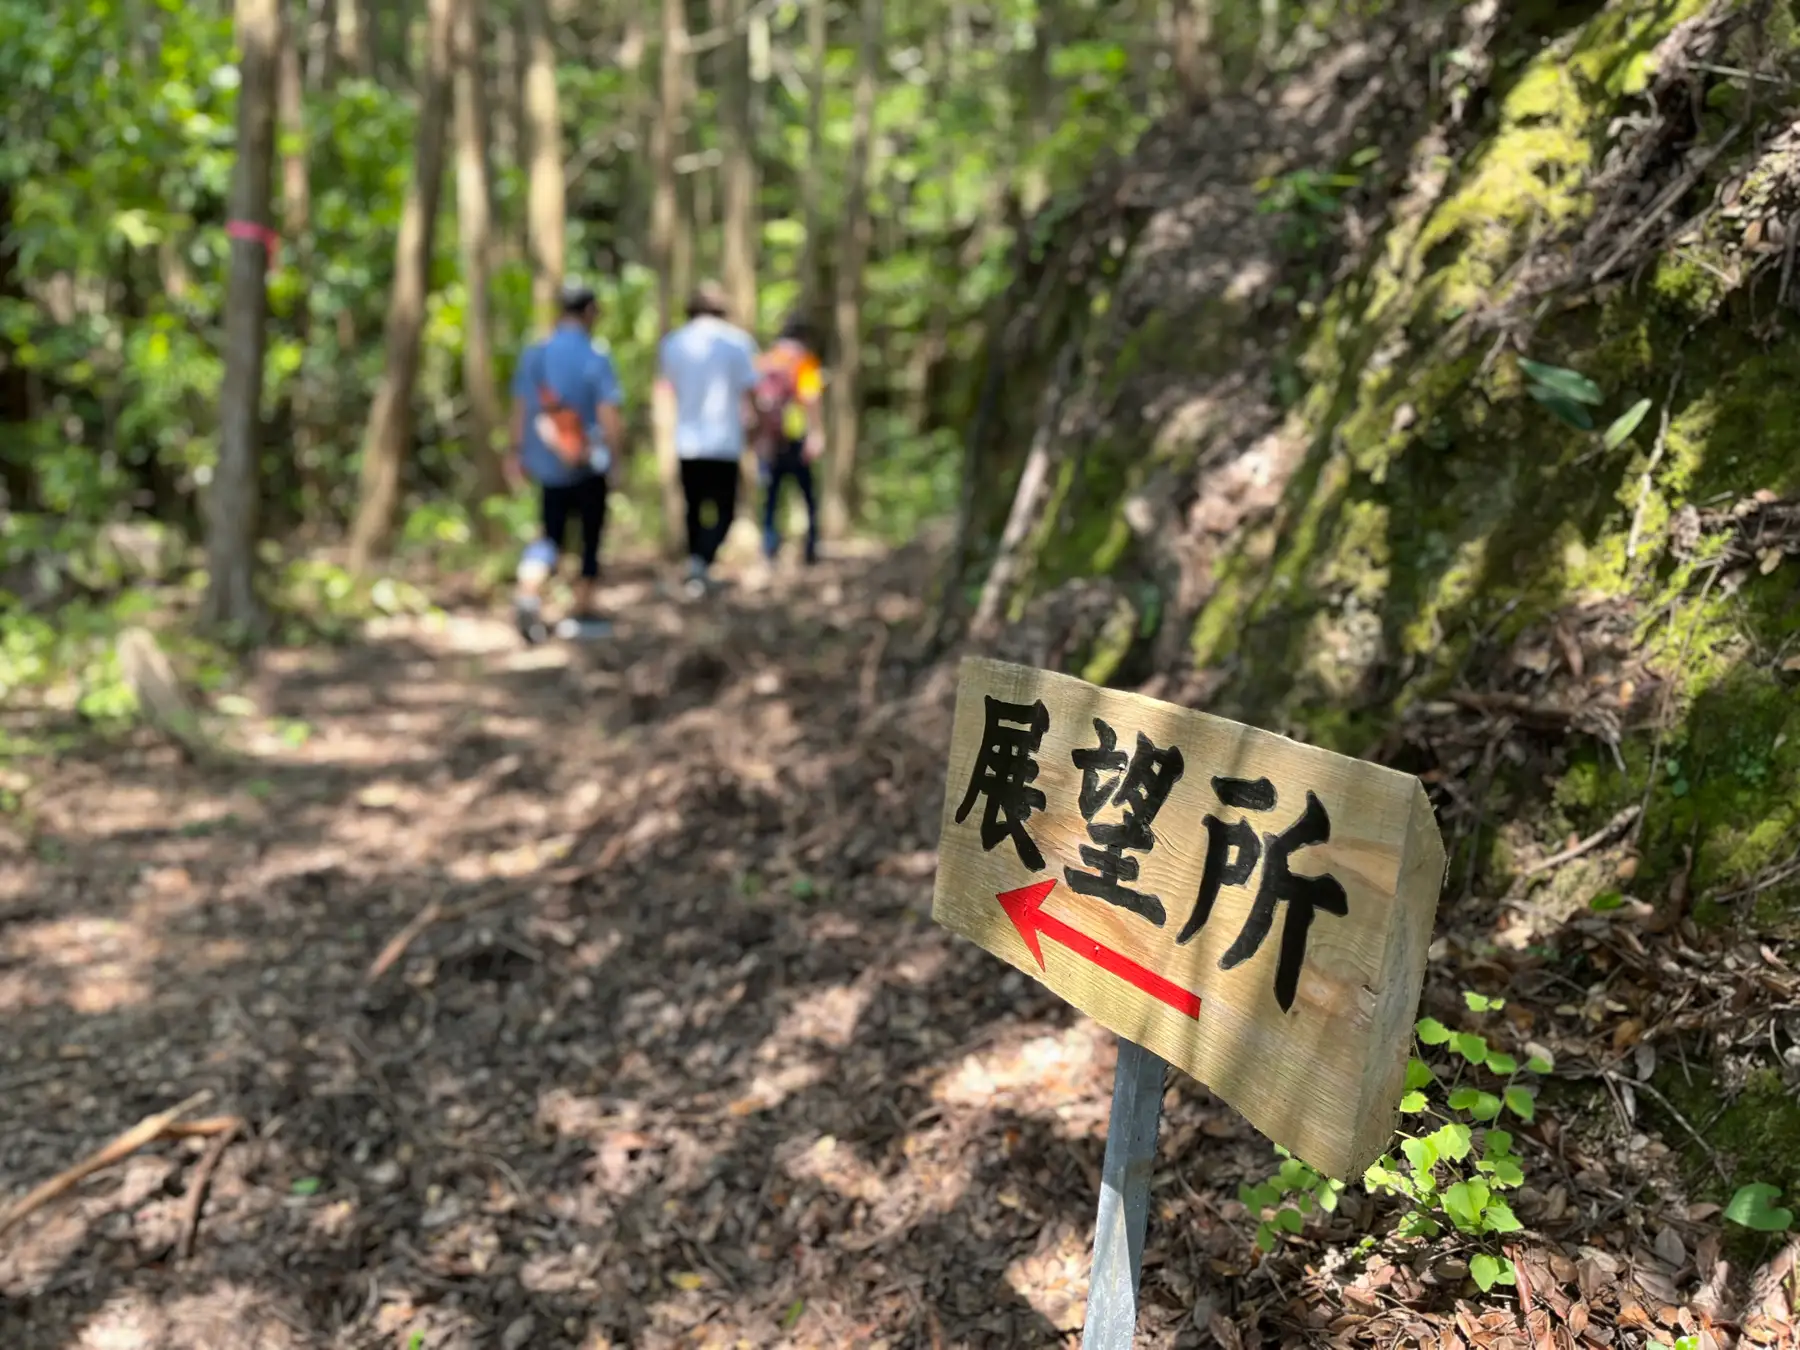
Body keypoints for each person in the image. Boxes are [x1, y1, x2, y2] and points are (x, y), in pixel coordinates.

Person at [505, 279, 626, 643]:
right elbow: (608, 413)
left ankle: (528, 591)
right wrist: (616, 457)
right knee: (590, 536)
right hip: (588, 463)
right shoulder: (595, 355)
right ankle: (583, 610)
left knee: (549, 534)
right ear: (589, 311)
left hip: (547, 465)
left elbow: (521, 407)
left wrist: (515, 452)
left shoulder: (536, 354)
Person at [656, 279, 759, 599]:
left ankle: (697, 563)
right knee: (725, 510)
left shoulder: (673, 343)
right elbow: (751, 392)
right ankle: (701, 562)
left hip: (688, 441)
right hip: (725, 441)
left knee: (694, 507)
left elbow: (668, 388)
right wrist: (755, 426)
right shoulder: (738, 342)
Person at [753, 313, 825, 566]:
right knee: (807, 495)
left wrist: (760, 437)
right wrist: (816, 433)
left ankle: (768, 549)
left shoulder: (766, 360)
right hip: (796, 436)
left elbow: (755, 400)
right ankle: (811, 547)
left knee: (771, 496)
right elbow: (810, 398)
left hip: (770, 439)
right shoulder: (804, 361)